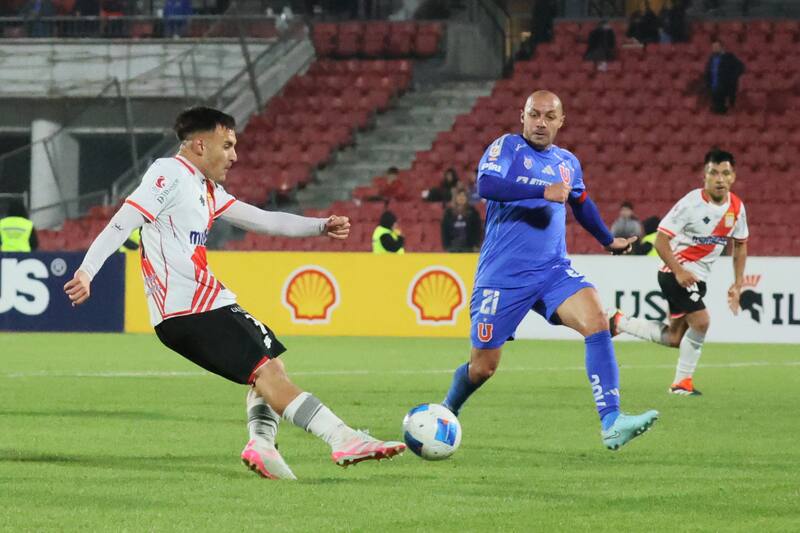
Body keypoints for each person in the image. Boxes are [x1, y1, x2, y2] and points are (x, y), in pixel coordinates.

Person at [63, 107, 405, 480]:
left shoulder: (207, 189)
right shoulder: (170, 173)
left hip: (205, 303)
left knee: (271, 366)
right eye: (226, 145)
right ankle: (342, 438)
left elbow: (265, 220)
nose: (234, 155)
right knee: (267, 371)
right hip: (189, 309)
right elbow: (123, 221)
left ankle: (262, 445)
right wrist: (87, 270)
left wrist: (320, 226)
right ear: (199, 145)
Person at [440, 91, 659, 451]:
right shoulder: (507, 147)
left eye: (548, 116)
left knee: (597, 319)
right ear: (522, 117)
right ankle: (447, 409)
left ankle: (612, 421)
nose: (540, 123)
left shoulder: (567, 162)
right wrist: (543, 191)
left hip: (552, 271)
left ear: (561, 121)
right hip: (503, 277)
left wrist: (608, 240)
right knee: (482, 368)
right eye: (534, 115)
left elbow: (581, 203)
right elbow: (487, 185)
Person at [610, 149, 748, 396]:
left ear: (733, 176)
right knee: (702, 322)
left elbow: (740, 245)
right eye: (714, 173)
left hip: (697, 279)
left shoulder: (737, 208)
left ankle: (620, 322)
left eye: (725, 173)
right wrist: (679, 271)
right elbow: (660, 241)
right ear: (704, 175)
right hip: (674, 274)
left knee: (675, 338)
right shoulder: (690, 204)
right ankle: (682, 384)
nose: (719, 179)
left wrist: (738, 284)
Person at [705, 40, 745, 114]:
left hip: (725, 88)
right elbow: (708, 72)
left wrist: (732, 78)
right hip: (713, 88)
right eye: (713, 47)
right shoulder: (711, 58)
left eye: (716, 47)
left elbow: (741, 67)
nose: (714, 49)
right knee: (715, 109)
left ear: (722, 47)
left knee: (723, 110)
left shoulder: (729, 57)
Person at [441, 188, 482, 252]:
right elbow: (444, 231)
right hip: (452, 248)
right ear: (455, 198)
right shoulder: (448, 213)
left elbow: (478, 230)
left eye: (463, 196)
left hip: (469, 248)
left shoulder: (473, 212)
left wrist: (476, 245)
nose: (461, 198)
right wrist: (446, 246)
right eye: (459, 196)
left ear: (467, 198)